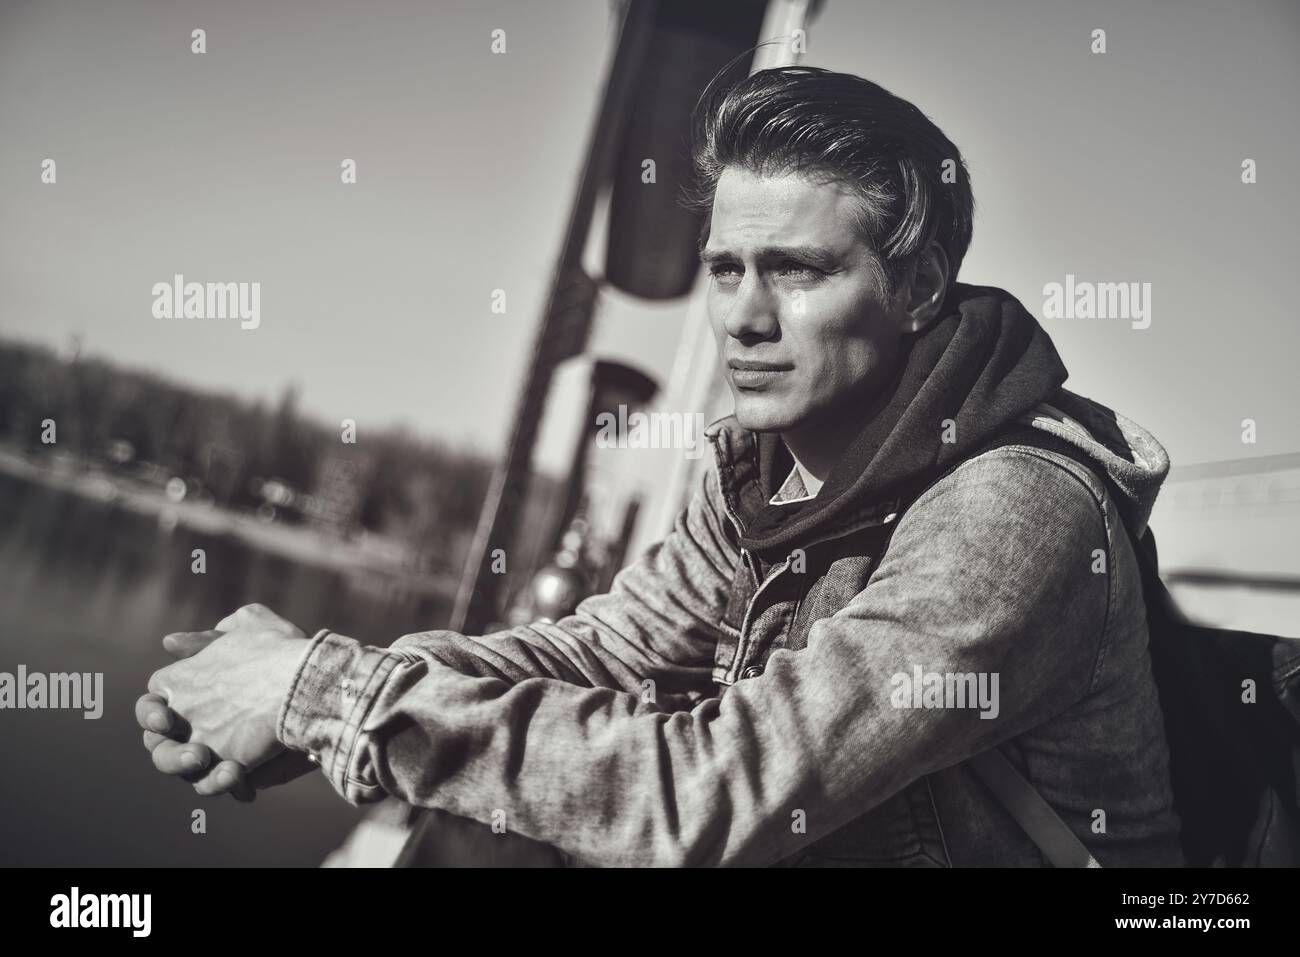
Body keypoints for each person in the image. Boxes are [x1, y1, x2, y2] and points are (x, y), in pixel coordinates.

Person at [135, 66, 1184, 867]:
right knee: (479, 835)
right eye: (724, 268)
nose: (742, 315)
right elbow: (604, 652)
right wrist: (304, 698)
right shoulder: (764, 476)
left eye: (796, 270)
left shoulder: (1016, 515)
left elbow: (708, 792)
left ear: (914, 289)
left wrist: (328, 695)